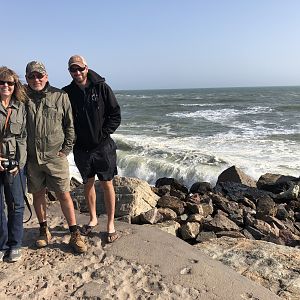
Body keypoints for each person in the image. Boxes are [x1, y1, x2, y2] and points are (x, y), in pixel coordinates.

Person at [25, 61, 87, 253]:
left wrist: (65, 150)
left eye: (39, 75)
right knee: (37, 194)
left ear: (46, 76)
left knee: (64, 194)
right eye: (32, 76)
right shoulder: (22, 97)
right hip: (32, 158)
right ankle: (44, 230)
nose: (36, 79)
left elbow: (70, 126)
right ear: (27, 78)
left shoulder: (60, 96)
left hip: (55, 157)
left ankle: (74, 233)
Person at [63, 55, 121, 242]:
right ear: (70, 72)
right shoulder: (67, 92)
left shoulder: (102, 87)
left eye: (80, 69)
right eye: (73, 70)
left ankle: (110, 223)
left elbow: (115, 114)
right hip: (81, 148)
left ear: (87, 68)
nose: (77, 73)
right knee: (87, 184)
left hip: (103, 147)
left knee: (107, 184)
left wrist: (104, 134)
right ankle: (93, 219)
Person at [0, 67, 27, 262]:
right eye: (2, 82)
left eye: (10, 83)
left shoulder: (20, 107)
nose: (6, 86)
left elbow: (23, 138)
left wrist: (19, 163)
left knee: (16, 204)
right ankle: (1, 245)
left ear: (15, 85)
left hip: (14, 164)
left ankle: (15, 244)